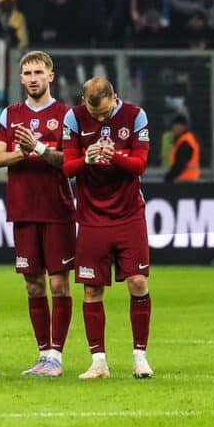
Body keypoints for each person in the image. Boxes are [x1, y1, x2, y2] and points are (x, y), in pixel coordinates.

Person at [0, 51, 75, 377]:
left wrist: (38, 149)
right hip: (24, 209)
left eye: (39, 72)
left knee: (58, 283)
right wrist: (21, 152)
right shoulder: (11, 115)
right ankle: (43, 354)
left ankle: (57, 356)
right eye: (27, 73)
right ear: (21, 78)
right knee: (33, 285)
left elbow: (68, 161)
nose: (33, 78)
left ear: (51, 76)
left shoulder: (66, 115)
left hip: (56, 209)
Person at [62, 78, 153, 379]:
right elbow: (66, 166)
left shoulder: (135, 115)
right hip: (91, 217)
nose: (100, 119)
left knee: (138, 282)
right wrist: (85, 158)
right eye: (94, 113)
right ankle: (98, 361)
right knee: (92, 288)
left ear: (115, 96)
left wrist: (114, 155)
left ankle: (140, 357)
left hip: (128, 214)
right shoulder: (73, 117)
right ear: (84, 100)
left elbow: (140, 164)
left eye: (105, 113)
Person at [164, 114, 200, 183]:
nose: (173, 129)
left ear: (181, 126)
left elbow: (179, 165)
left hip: (184, 181)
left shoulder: (185, 142)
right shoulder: (188, 139)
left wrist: (168, 178)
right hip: (189, 181)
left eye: (174, 126)